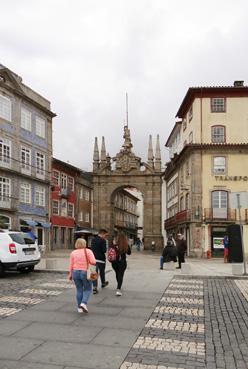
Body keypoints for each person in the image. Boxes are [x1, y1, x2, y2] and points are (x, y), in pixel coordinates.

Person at [68, 238, 96, 313]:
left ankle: (79, 308)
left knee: (79, 289)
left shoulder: (73, 252)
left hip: (75, 272)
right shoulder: (88, 251)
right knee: (88, 289)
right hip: (85, 272)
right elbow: (93, 262)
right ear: (85, 244)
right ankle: (83, 303)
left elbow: (71, 265)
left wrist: (70, 274)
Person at [91, 229, 109, 294]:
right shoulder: (103, 240)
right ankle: (103, 283)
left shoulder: (93, 239)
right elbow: (104, 250)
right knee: (102, 272)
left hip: (93, 259)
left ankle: (94, 288)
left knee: (93, 273)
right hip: (101, 259)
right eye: (105, 235)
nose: (106, 236)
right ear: (102, 234)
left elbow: (92, 248)